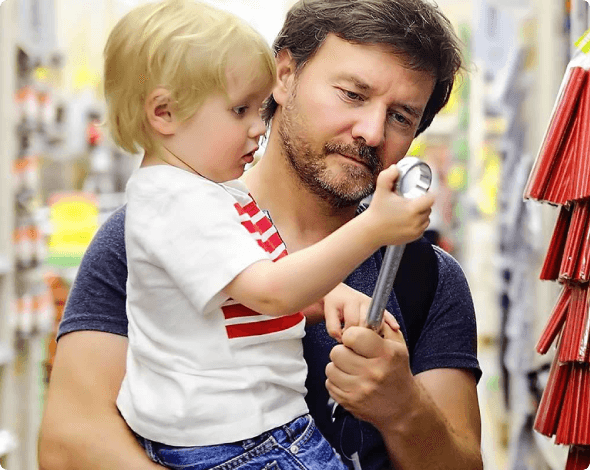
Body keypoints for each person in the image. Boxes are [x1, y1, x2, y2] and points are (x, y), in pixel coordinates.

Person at [38, 1, 483, 469]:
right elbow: (71, 445)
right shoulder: (143, 236)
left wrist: (403, 408)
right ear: (285, 75)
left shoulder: (426, 275)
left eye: (401, 117)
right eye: (352, 94)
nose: (371, 132)